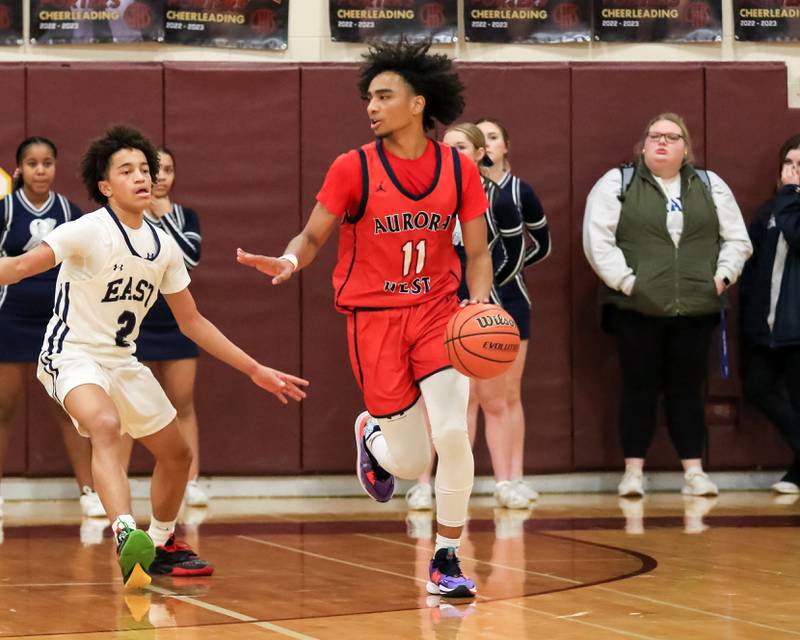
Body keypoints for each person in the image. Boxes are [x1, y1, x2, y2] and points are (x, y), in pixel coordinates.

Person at [237, 40, 492, 599]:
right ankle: (371, 433)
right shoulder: (352, 168)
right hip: (374, 319)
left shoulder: (457, 168)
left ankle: (445, 556)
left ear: (418, 102)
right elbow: (310, 237)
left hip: (438, 314)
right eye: (368, 98)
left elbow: (477, 254)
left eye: (384, 96)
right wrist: (286, 260)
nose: (371, 107)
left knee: (453, 434)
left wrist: (479, 304)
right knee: (410, 460)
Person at [0, 126, 308, 589]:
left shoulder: (163, 246)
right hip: (71, 355)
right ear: (105, 186)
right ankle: (126, 534)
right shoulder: (87, 230)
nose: (141, 177)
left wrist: (254, 368)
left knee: (177, 455)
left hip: (123, 361)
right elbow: (21, 267)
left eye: (145, 169)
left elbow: (194, 322)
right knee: (103, 425)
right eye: (127, 171)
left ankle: (161, 542)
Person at [583, 112, 751, 498]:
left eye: (672, 137)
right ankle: (633, 473)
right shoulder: (617, 183)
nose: (662, 142)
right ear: (643, 145)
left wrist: (721, 278)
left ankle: (693, 471)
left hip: (696, 308)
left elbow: (737, 240)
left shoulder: (710, 186)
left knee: (687, 389)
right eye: (655, 136)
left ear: (686, 148)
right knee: (638, 388)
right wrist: (627, 283)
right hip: (635, 309)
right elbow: (598, 241)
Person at [405, 122, 526, 511]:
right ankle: (424, 482)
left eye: (461, 147)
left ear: (479, 154)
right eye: (447, 146)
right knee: (432, 399)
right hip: (433, 307)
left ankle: (504, 482)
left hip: (480, 307)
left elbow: (514, 252)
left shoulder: (500, 199)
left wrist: (482, 295)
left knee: (490, 397)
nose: (451, 153)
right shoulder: (426, 197)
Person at [0, 137, 104, 519]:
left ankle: (89, 490)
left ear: (56, 166)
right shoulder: (6, 210)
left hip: (57, 322)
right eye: (32, 163)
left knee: (68, 408)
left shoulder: (69, 211)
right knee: (3, 408)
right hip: (9, 317)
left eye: (47, 163)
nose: (40, 170)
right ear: (20, 169)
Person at [120, 147, 208, 507]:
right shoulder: (126, 217)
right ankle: (118, 480)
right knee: (124, 407)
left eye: (168, 170)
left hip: (175, 323)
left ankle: (192, 481)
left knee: (182, 403)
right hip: (133, 323)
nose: (160, 177)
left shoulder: (186, 216)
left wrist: (165, 216)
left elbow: (189, 258)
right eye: (155, 170)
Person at [477, 117, 552, 505]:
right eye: (480, 137)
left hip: (508, 300)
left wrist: (504, 274)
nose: (486, 144)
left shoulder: (518, 192)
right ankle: (438, 481)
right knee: (467, 397)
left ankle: (512, 476)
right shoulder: (458, 189)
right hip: (464, 305)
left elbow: (539, 244)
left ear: (506, 145)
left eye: (493, 136)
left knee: (506, 395)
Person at [740, 134, 800, 495]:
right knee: (758, 387)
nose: (793, 171)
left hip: (798, 328)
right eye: (789, 164)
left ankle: (797, 472)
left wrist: (791, 197)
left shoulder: (788, 209)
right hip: (769, 326)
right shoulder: (768, 212)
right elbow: (754, 266)